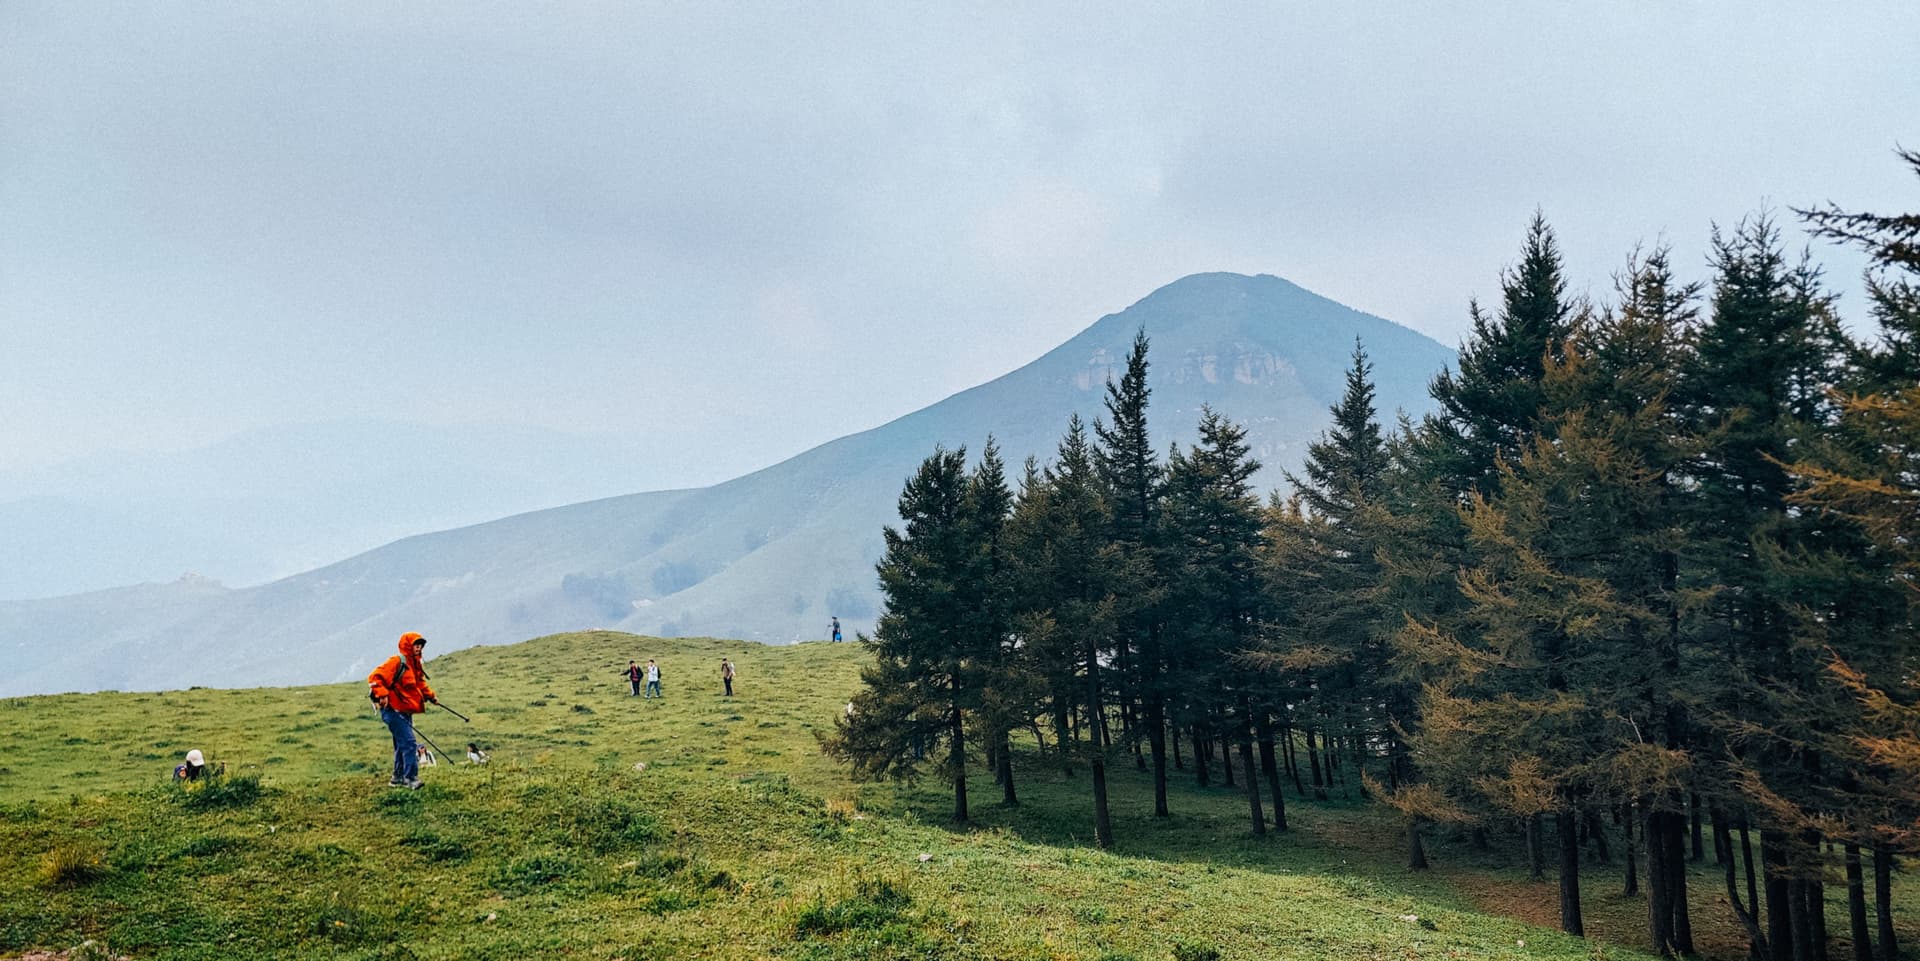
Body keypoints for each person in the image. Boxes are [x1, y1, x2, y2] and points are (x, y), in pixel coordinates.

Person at [368, 631, 437, 790]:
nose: (418, 648)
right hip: (393, 710)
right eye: (415, 645)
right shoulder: (396, 662)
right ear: (407, 646)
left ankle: (397, 777)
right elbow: (374, 678)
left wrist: (430, 696)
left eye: (420, 645)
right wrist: (383, 694)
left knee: (401, 744)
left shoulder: (415, 665)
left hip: (405, 710)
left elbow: (419, 684)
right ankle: (410, 778)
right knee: (409, 742)